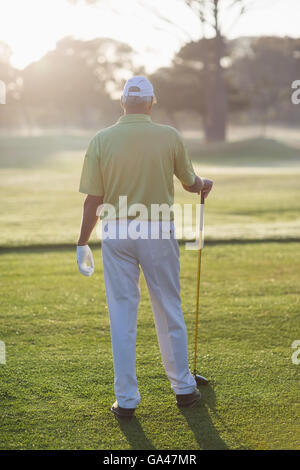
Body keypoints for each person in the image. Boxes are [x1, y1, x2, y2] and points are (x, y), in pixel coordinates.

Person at [77, 76, 213, 419]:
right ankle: (183, 388)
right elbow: (189, 182)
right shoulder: (169, 136)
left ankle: (126, 400)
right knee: (168, 307)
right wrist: (204, 185)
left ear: (122, 103)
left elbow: (94, 200)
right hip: (156, 230)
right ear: (151, 103)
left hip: (116, 232)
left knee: (122, 315)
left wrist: (81, 242)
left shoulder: (101, 139)